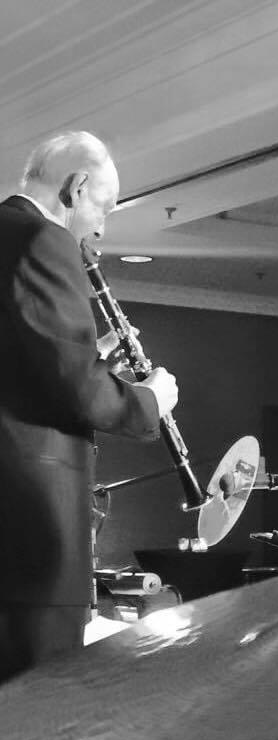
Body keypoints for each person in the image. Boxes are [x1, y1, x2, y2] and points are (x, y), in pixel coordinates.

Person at [0, 131, 178, 681]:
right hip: (31, 542)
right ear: (77, 189)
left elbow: (23, 368)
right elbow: (74, 393)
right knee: (34, 729)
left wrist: (90, 360)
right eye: (102, 208)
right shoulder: (44, 239)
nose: (101, 228)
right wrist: (151, 400)